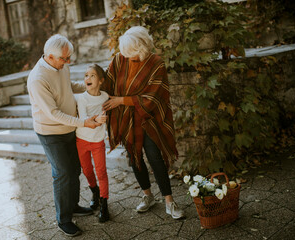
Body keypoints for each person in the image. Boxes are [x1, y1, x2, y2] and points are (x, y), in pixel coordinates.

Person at [102, 26, 185, 220]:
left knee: (155, 157)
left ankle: (169, 201)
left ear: (143, 48)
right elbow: (108, 83)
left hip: (150, 119)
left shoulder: (156, 63)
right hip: (127, 119)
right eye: (126, 54)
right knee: (134, 158)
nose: (128, 58)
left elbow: (153, 97)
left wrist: (121, 100)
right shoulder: (119, 59)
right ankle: (148, 196)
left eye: (132, 54)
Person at [27, 34, 101, 237]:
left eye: (69, 58)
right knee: (62, 173)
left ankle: (73, 205)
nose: (68, 62)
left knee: (75, 168)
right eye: (64, 59)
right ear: (50, 57)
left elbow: (68, 86)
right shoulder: (38, 79)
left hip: (70, 128)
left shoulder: (61, 65)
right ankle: (63, 219)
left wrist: (91, 85)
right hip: (51, 133)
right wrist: (84, 122)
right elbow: (53, 114)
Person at [75, 64, 110, 223]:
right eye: (86, 75)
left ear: (101, 80)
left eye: (92, 75)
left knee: (101, 172)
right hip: (82, 140)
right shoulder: (82, 98)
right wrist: (97, 119)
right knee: (88, 171)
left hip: (97, 141)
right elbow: (83, 118)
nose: (87, 78)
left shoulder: (105, 96)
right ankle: (94, 192)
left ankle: (104, 203)